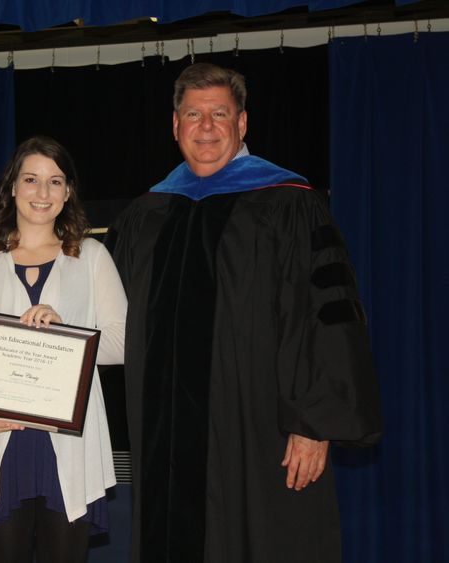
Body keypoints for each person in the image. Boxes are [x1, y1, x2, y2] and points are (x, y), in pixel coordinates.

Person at [105, 63, 383, 563]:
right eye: (194, 114)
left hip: (262, 435)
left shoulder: (288, 205)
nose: (206, 127)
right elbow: (108, 321)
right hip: (164, 444)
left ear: (243, 124)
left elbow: (325, 315)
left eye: (219, 114)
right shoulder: (146, 215)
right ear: (175, 126)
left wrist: (313, 423)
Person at [0, 136, 126, 563]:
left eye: (55, 181)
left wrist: (68, 333)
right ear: (12, 187)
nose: (42, 193)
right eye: (31, 180)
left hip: (68, 444)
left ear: (68, 192)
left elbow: (123, 344)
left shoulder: (92, 257)